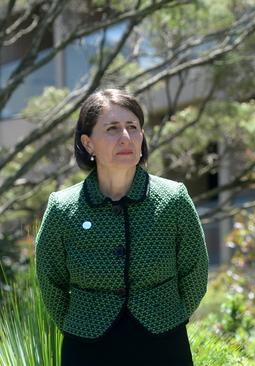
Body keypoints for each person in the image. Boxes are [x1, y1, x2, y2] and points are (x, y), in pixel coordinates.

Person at [35, 89, 209, 366]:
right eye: (112, 129)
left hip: (163, 344)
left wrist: (168, 316)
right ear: (88, 143)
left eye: (133, 127)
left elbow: (195, 272)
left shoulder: (173, 198)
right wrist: (80, 322)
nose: (126, 137)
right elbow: (50, 281)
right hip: (87, 348)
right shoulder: (62, 207)